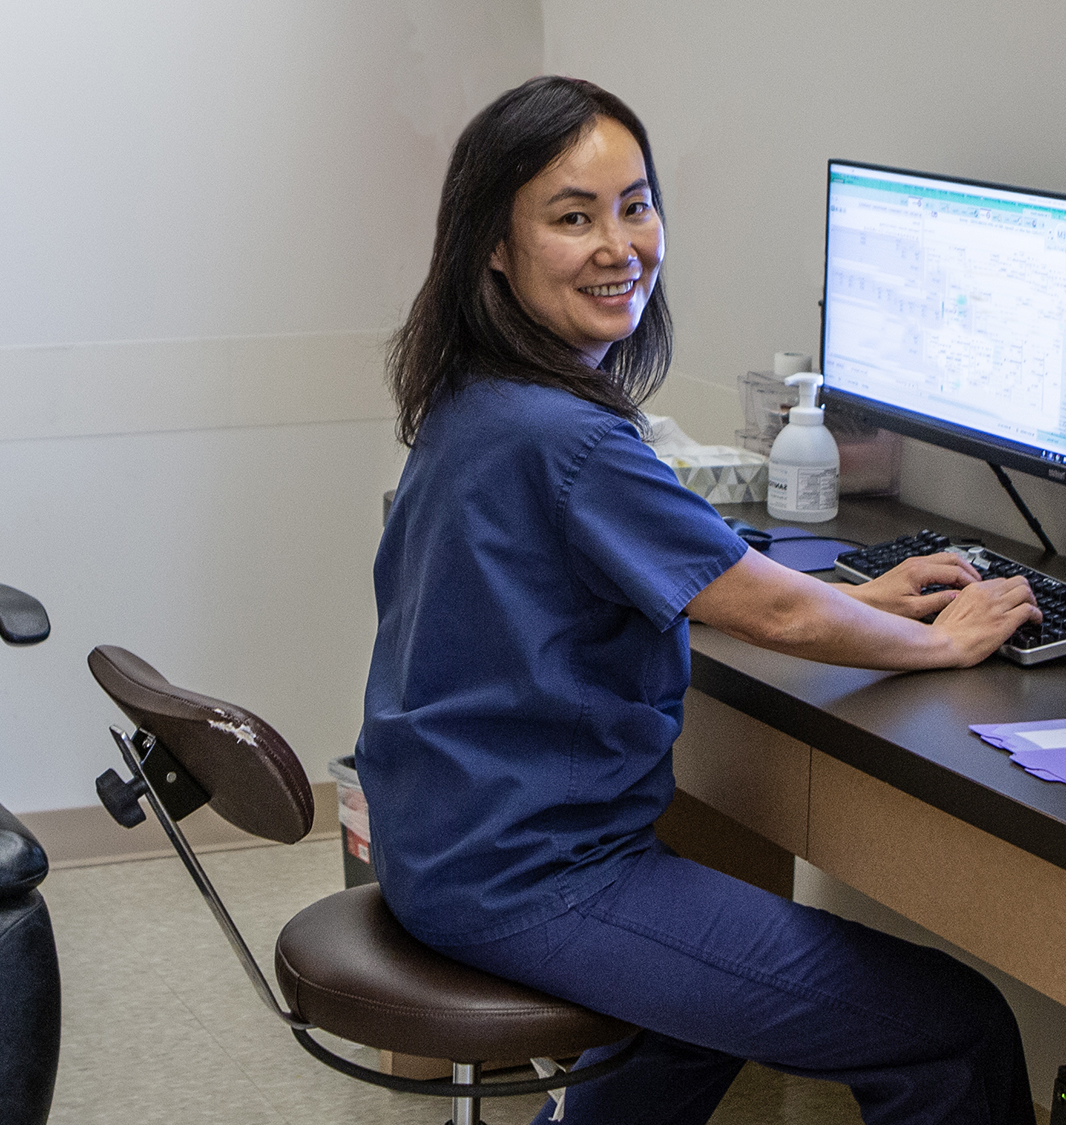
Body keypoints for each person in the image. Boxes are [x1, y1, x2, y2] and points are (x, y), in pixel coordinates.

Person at [357, 75, 1042, 1125]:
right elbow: (767, 612)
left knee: (700, 1014)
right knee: (953, 1028)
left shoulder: (479, 398)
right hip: (535, 877)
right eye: (571, 217)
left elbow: (708, 569)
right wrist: (938, 648)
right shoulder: (565, 438)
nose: (617, 243)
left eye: (635, 205)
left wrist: (886, 599)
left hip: (451, 843)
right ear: (490, 246)